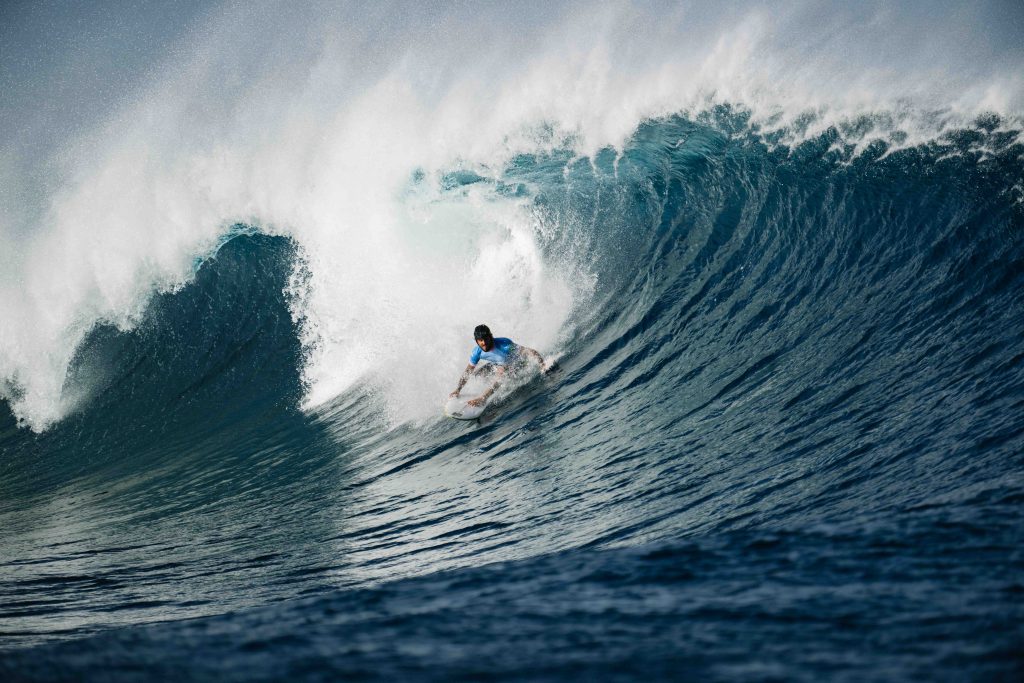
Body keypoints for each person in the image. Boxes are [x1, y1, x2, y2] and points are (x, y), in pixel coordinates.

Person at [450, 324, 546, 407]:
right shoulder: (477, 352)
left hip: (516, 364)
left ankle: (484, 397)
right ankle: (483, 392)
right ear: (476, 341)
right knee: (476, 374)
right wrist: (458, 389)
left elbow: (529, 351)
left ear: (491, 337)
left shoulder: (504, 345)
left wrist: (543, 365)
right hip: (497, 364)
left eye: (486, 339)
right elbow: (468, 371)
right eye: (480, 341)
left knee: (502, 374)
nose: (484, 343)